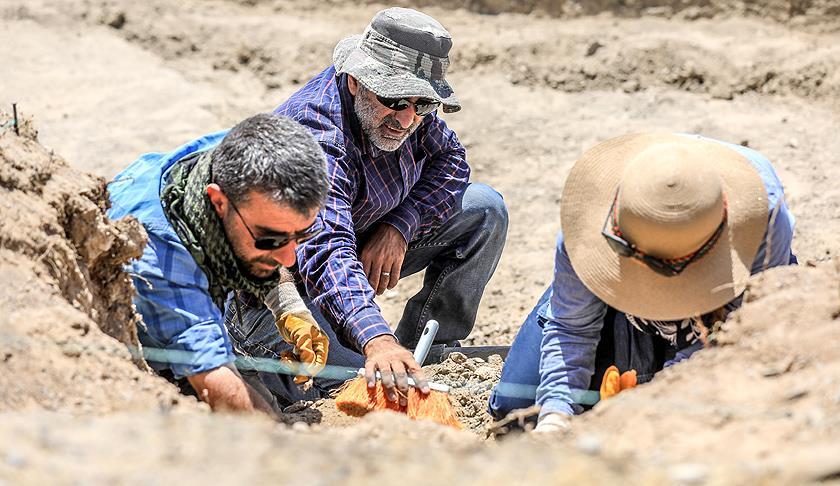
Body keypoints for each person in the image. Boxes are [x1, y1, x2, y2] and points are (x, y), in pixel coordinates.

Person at [230, 7, 508, 407]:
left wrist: (399, 227)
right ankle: (262, 357)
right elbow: (326, 248)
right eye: (395, 101)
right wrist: (376, 340)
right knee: (357, 386)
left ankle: (429, 349)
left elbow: (451, 163)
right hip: (278, 286)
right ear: (357, 82)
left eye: (423, 104)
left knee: (484, 209)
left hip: (355, 244)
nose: (408, 119)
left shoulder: (408, 111)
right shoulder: (316, 135)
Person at [487, 133, 797, 432]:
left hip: (710, 316)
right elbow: (572, 327)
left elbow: (736, 333)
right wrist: (555, 412)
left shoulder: (762, 218)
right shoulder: (590, 217)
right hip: (615, 305)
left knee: (688, 415)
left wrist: (656, 396)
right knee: (517, 411)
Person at [108, 113, 332, 415]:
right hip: (144, 327)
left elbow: (264, 230)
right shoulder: (159, 259)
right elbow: (214, 378)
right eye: (271, 240)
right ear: (218, 201)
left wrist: (287, 304)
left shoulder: (241, 157)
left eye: (302, 234)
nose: (290, 259)